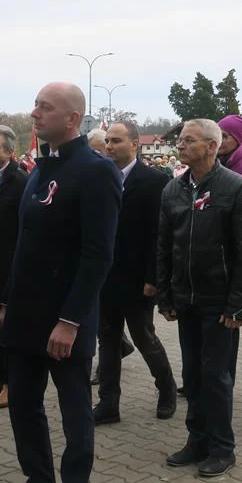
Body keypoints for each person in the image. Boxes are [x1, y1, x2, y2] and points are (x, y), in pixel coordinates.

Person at [0, 83, 121, 483]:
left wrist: (70, 320)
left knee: (74, 416)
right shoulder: (40, 168)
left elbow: (98, 255)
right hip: (25, 318)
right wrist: (8, 302)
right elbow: (24, 246)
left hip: (65, 320)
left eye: (44, 108)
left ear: (71, 119)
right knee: (25, 410)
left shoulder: (95, 171)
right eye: (34, 105)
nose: (34, 114)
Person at [156, 118, 242, 478]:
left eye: (188, 141)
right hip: (187, 300)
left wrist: (238, 305)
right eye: (180, 141)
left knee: (216, 375)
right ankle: (196, 440)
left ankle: (222, 447)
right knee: (193, 373)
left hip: (220, 302)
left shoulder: (236, 188)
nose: (180, 146)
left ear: (212, 147)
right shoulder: (174, 189)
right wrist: (165, 294)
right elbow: (164, 246)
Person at [94, 121, 177, 426]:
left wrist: (153, 278)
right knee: (108, 339)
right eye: (107, 141)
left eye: (116, 140)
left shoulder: (153, 181)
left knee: (143, 336)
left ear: (134, 144)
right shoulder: (101, 177)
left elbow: (158, 233)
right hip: (105, 275)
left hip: (137, 277)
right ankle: (108, 403)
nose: (110, 146)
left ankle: (166, 387)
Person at [0, 124, 28, 411]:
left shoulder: (20, 182)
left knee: (9, 327)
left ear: (10, 152)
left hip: (10, 264)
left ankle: (13, 383)